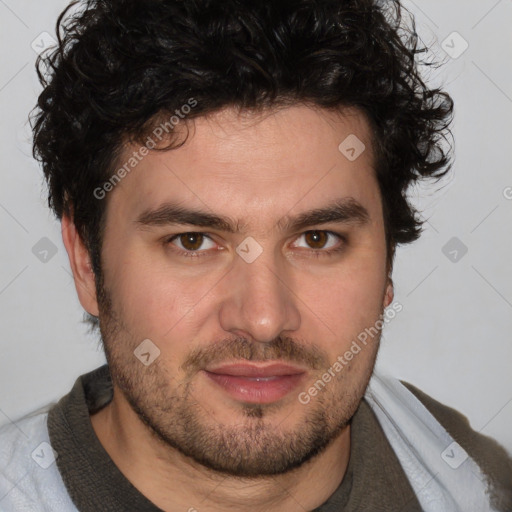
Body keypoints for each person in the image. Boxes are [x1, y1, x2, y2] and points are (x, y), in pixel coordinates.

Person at [0, 0, 511, 510]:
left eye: (318, 239)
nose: (264, 319)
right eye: (192, 241)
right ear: (86, 260)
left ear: (387, 261)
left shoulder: (478, 483)